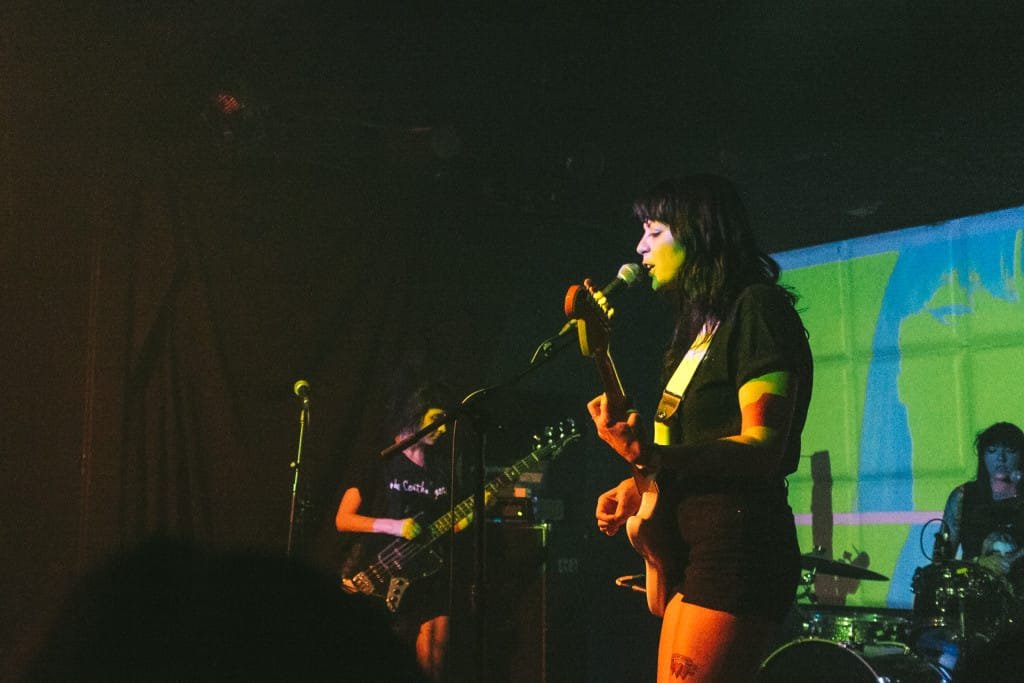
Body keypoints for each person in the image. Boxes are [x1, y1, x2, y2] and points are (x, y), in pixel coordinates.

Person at [587, 175, 813, 683]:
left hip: (739, 546)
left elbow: (762, 447)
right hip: (693, 551)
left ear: (699, 234)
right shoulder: (695, 334)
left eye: (654, 231)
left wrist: (656, 459)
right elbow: (691, 450)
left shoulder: (757, 309)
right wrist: (636, 485)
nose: (640, 247)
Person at [335, 382, 458, 682]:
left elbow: (447, 526)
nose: (442, 428)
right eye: (435, 420)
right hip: (380, 575)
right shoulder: (381, 463)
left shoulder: (441, 469)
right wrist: (394, 526)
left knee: (433, 664)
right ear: (414, 416)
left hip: (428, 576)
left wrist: (472, 513)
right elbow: (343, 519)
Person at [940, 421, 1024, 577]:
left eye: (1009, 451)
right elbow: (941, 562)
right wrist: (978, 563)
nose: (1001, 458)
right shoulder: (963, 496)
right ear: (983, 455)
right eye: (992, 450)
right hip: (974, 595)